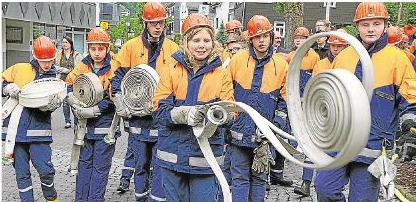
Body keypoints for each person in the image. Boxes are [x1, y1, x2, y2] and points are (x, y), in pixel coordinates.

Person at [314, 3, 416, 201]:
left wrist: (410, 131)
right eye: (365, 24)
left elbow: (410, 99)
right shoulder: (344, 56)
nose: (371, 29)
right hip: (340, 142)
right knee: (324, 188)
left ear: (385, 25)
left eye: (376, 23)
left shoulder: (397, 59)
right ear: (357, 26)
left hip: (373, 146)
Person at [152, 13, 234, 201]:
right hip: (172, 157)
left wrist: (217, 116)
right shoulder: (171, 71)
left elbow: (230, 114)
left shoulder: (221, 74)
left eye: (207, 40)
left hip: (204, 161)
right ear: (186, 43)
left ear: (213, 43)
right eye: (196, 40)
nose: (202, 45)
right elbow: (158, 111)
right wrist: (181, 114)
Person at [111, 2, 179, 201]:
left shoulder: (173, 49)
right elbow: (118, 76)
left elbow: (179, 82)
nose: (158, 27)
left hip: (162, 121)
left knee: (160, 166)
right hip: (137, 121)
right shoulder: (131, 47)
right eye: (153, 23)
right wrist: (118, 98)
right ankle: (141, 198)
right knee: (140, 165)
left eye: (161, 22)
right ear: (145, 23)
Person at [227, 15, 289, 202]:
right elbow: (226, 92)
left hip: (264, 138)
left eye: (265, 36)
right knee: (239, 179)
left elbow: (284, 102)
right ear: (250, 39)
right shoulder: (237, 60)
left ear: (271, 37)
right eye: (257, 37)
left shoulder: (281, 65)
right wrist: (232, 119)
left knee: (260, 178)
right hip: (238, 135)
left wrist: (275, 126)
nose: (262, 41)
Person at [2, 35, 60, 202]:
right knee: (22, 173)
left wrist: (53, 105)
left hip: (38, 132)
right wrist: (7, 88)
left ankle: (51, 197)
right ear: (35, 56)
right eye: (44, 61)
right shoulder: (20, 69)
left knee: (45, 169)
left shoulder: (52, 78)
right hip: (16, 133)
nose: (47, 64)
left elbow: (56, 98)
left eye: (50, 60)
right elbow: (1, 82)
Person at [65, 27, 120, 201]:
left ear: (107, 48)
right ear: (88, 48)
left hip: (105, 127)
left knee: (100, 168)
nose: (97, 53)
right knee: (84, 166)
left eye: (101, 49)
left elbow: (115, 94)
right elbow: (69, 84)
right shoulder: (83, 65)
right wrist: (73, 101)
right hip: (84, 129)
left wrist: (98, 109)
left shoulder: (114, 67)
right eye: (93, 49)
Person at [55, 36, 83, 129]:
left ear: (70, 44)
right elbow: (55, 67)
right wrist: (64, 70)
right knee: (65, 102)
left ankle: (76, 120)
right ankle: (67, 121)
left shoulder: (76, 55)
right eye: (63, 42)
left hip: (75, 81)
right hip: (63, 81)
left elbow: (81, 66)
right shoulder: (59, 55)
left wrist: (74, 72)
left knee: (74, 101)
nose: (64, 44)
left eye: (66, 42)